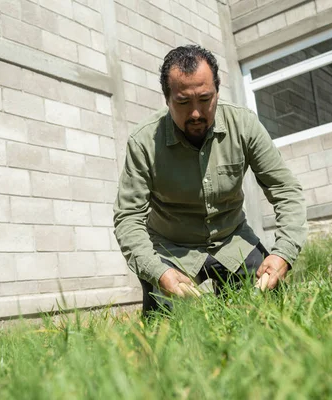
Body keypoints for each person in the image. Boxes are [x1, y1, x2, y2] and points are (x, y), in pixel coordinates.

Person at [113, 45, 308, 315]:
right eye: (183, 102)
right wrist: (156, 272)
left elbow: (285, 189)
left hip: (233, 240)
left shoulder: (244, 125)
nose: (196, 113)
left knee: (272, 313)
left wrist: (283, 252)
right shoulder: (143, 141)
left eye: (205, 99)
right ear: (167, 99)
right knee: (164, 334)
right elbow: (128, 218)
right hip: (171, 248)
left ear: (217, 91)